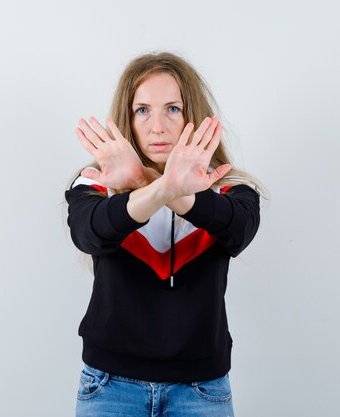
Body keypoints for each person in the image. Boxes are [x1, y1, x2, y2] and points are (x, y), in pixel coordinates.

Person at [65, 51, 262, 417]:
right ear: (128, 116)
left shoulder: (229, 187)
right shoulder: (96, 182)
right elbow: (89, 232)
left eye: (173, 108)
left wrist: (148, 181)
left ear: (194, 116)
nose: (157, 126)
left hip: (201, 390)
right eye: (143, 110)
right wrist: (154, 186)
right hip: (109, 387)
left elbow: (237, 229)